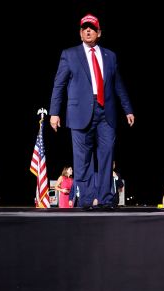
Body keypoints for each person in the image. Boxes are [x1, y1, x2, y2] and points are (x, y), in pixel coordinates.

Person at [49, 13, 135, 209]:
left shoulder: (110, 56)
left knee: (106, 155)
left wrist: (127, 109)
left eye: (92, 28)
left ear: (99, 32)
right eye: (85, 28)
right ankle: (87, 199)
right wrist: (54, 113)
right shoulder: (69, 54)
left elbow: (118, 84)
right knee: (83, 158)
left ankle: (105, 198)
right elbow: (58, 85)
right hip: (80, 113)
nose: (88, 30)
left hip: (107, 112)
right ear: (80, 33)